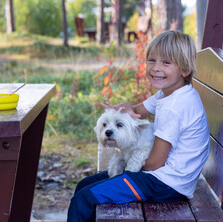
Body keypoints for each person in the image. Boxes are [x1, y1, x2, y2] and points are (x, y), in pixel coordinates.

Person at [67, 30, 210, 222]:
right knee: (84, 185)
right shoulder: (170, 93)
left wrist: (128, 167)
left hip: (165, 184)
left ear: (185, 69)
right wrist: (125, 109)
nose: (156, 68)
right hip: (165, 179)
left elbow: (154, 163)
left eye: (166, 62)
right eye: (152, 60)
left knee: (84, 199)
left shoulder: (175, 107)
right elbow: (138, 111)